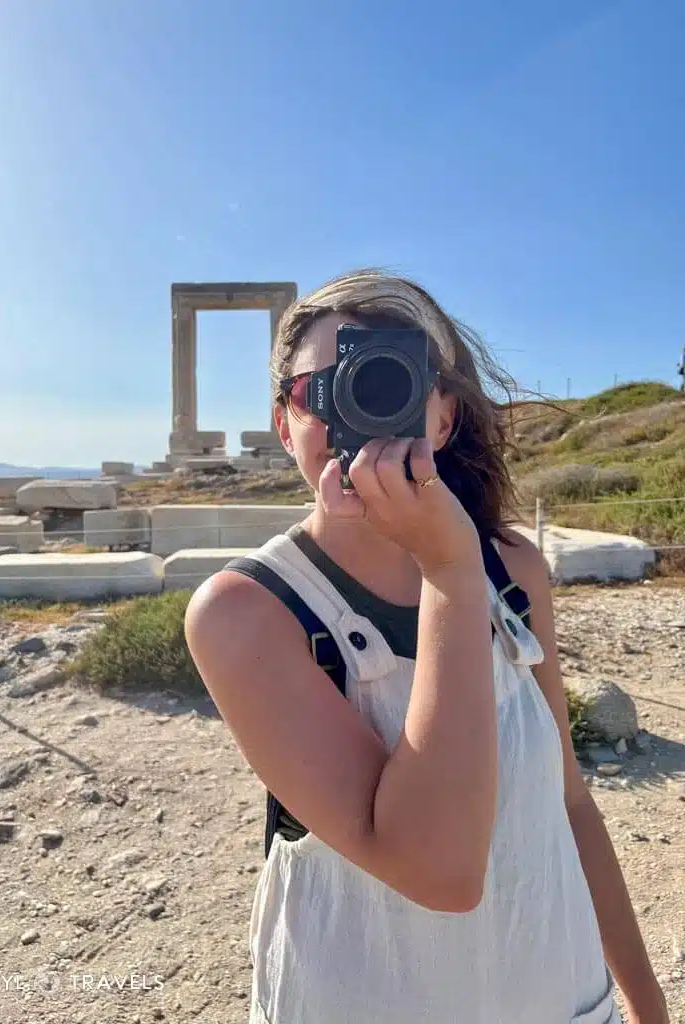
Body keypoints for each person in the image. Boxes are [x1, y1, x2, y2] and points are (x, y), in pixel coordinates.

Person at [184, 269, 668, 1024]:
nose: (371, 408)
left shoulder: (512, 571)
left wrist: (647, 1003)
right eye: (335, 385)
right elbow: (440, 871)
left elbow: (569, 804)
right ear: (286, 423)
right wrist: (448, 569)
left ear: (443, 417)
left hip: (569, 1001)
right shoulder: (248, 613)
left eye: (396, 380)